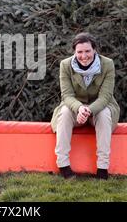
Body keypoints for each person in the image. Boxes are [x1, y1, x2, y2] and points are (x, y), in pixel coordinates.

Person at [51, 32, 120, 180]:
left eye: (87, 51)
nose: (84, 56)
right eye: (79, 52)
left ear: (94, 50)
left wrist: (88, 110)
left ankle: (102, 168)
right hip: (75, 108)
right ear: (74, 52)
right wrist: (80, 108)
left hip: (100, 108)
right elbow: (67, 95)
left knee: (104, 114)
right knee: (64, 112)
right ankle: (63, 164)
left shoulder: (107, 64)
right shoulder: (65, 65)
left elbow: (105, 96)